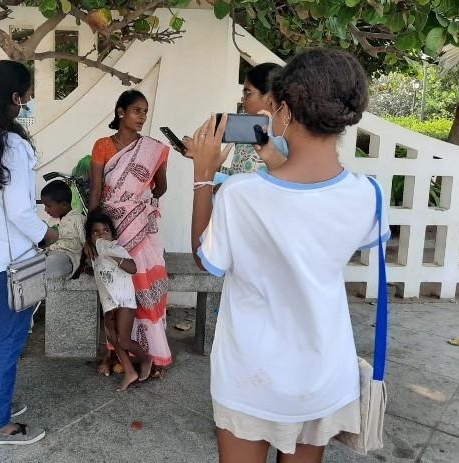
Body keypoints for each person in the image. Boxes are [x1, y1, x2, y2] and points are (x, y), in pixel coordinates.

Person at [188, 48, 389, 463]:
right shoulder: (368, 194)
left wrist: (203, 177)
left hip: (250, 378)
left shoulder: (242, 195)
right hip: (323, 376)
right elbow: (313, 222)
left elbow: (203, 259)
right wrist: (280, 166)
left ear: (282, 112)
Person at [0, 60, 58, 446]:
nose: (31, 99)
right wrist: (48, 233)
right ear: (15, 97)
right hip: (13, 262)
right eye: (29, 92)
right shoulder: (15, 146)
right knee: (10, 338)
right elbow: (20, 210)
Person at [88, 89, 172, 377]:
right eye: (137, 110)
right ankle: (113, 354)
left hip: (140, 229)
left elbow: (161, 187)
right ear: (120, 112)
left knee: (143, 289)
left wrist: (139, 198)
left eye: (145, 112)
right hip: (111, 229)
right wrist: (93, 236)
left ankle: (153, 355)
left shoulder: (153, 149)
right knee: (113, 292)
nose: (142, 117)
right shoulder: (102, 146)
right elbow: (96, 191)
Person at [172, 62, 287, 180]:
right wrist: (201, 158)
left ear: (270, 97)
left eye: (248, 93)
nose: (243, 99)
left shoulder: (285, 138)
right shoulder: (248, 136)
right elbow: (235, 177)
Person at [85, 211, 153, 391]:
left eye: (105, 231)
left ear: (113, 235)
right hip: (108, 303)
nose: (101, 235)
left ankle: (146, 358)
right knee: (113, 338)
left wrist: (110, 254)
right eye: (96, 232)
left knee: (123, 341)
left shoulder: (116, 249)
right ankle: (130, 372)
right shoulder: (94, 255)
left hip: (124, 302)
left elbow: (132, 268)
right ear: (90, 238)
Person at [40, 180, 86, 279]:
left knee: (46, 266)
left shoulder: (78, 219)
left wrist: (81, 267)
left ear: (64, 205)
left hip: (67, 257)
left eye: (48, 206)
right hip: (49, 254)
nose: (45, 210)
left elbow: (86, 245)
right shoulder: (51, 221)